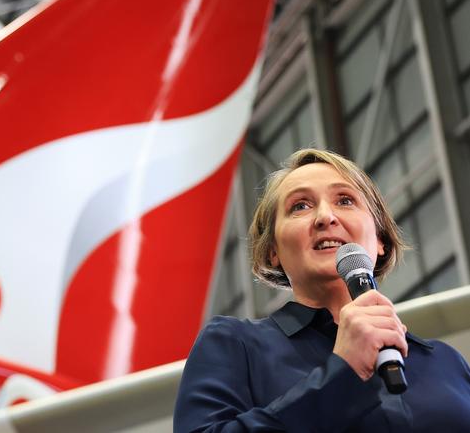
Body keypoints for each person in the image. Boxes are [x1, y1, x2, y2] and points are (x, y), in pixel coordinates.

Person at [174, 148, 470, 432]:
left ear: (380, 239)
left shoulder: (445, 362)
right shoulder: (235, 345)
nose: (326, 217)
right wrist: (342, 372)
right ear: (273, 251)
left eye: (345, 201)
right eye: (300, 206)